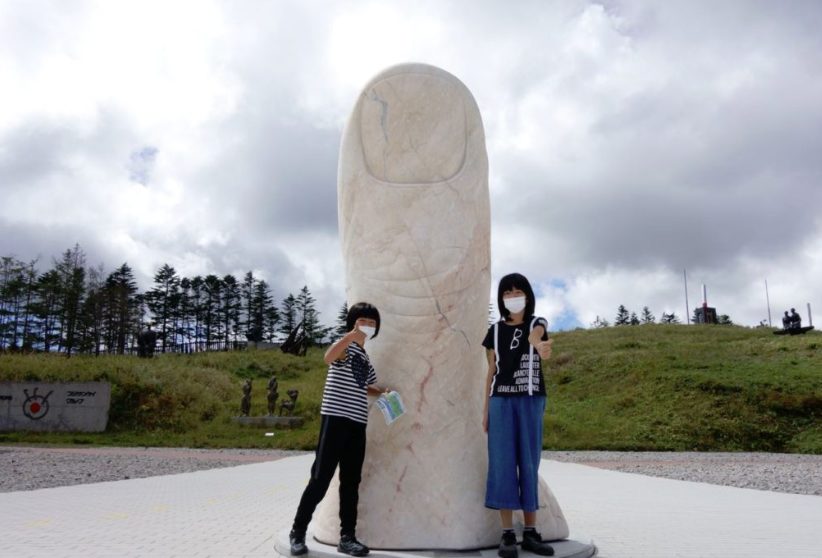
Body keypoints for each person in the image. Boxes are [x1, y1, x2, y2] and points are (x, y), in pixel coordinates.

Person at [289, 302, 390, 557]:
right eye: (363, 320)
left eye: (372, 322)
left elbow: (364, 385)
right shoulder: (345, 346)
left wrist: (381, 391)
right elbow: (328, 357)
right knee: (320, 478)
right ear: (353, 323)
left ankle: (347, 537)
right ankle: (298, 531)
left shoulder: (364, 357)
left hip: (358, 423)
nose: (368, 325)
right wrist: (350, 336)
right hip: (335, 419)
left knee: (351, 482)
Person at [482, 273, 556, 558]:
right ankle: (507, 535)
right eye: (507, 293)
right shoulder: (494, 331)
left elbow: (537, 336)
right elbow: (491, 371)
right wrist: (485, 410)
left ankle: (531, 532)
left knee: (528, 462)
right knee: (502, 464)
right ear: (501, 298)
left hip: (530, 398)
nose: (512, 297)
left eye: (517, 292)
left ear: (527, 295)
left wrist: (539, 345)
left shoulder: (537, 322)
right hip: (500, 400)